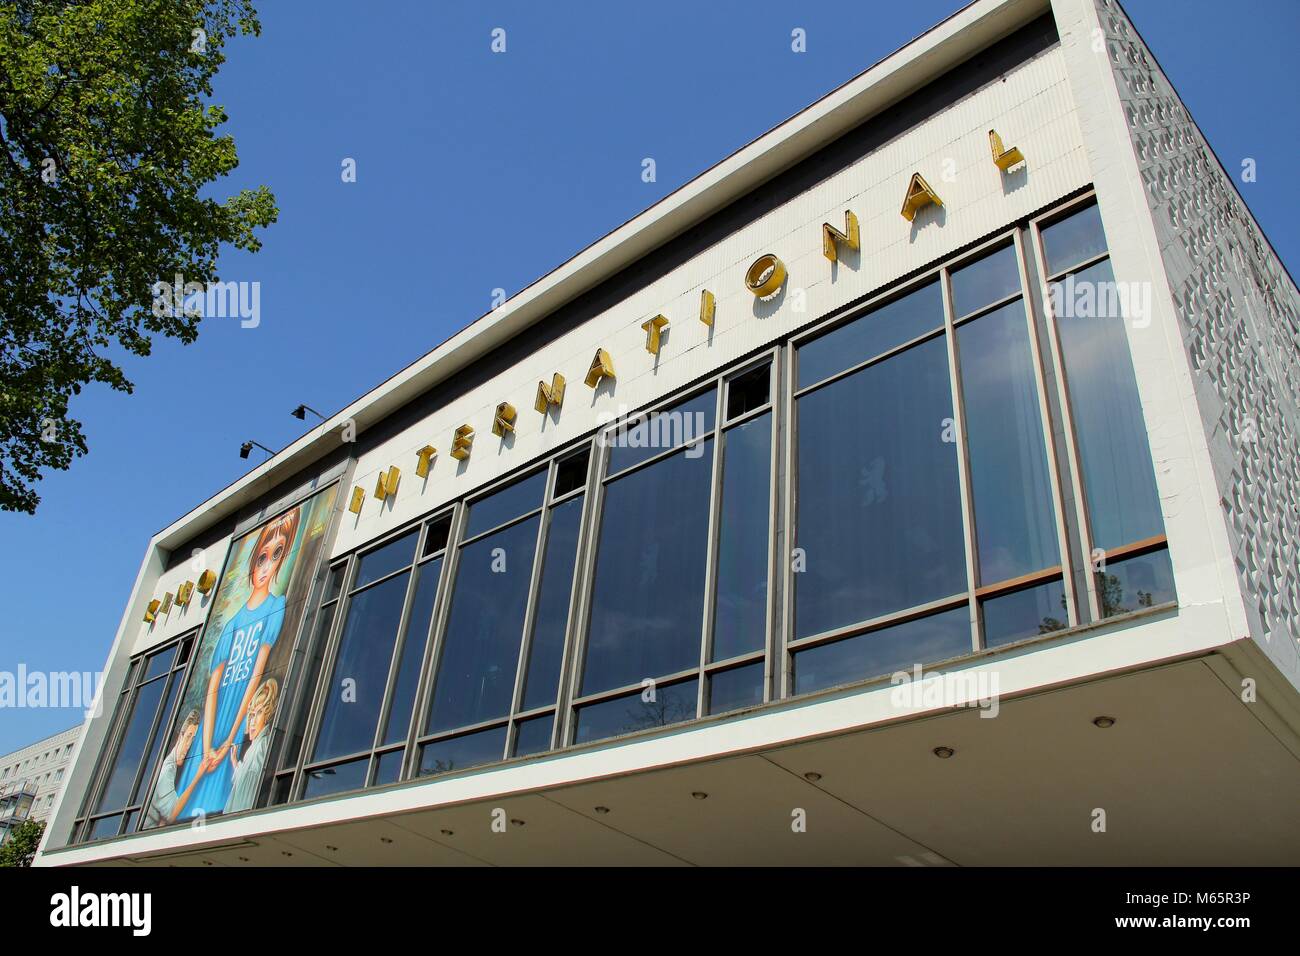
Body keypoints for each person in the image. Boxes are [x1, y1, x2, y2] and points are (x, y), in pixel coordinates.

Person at [172, 507, 299, 821]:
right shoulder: (230, 623)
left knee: (225, 816)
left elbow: (257, 675)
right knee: (185, 818)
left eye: (277, 555)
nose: (266, 566)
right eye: (262, 557)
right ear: (253, 561)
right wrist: (206, 744)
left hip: (236, 724)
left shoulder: (276, 607)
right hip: (211, 728)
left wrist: (230, 739)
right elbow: (213, 688)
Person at [227, 678, 278, 813]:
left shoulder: (262, 745)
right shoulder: (255, 746)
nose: (253, 721)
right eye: (251, 715)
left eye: (259, 713)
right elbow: (245, 779)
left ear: (267, 715)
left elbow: (253, 782)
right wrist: (235, 762)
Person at [147, 709, 199, 826]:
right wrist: (198, 777)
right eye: (188, 737)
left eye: (192, 739)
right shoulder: (167, 769)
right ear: (180, 736)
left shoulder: (171, 766)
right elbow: (172, 814)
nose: (188, 746)